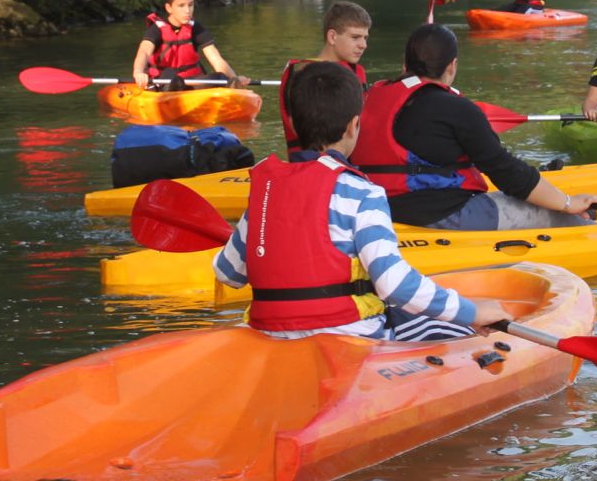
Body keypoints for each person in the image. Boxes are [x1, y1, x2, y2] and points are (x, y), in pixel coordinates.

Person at [214, 61, 511, 341]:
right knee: (459, 327)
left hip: (271, 335)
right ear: (353, 125)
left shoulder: (266, 191)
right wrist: (473, 312)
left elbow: (227, 273)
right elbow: (394, 285)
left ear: (292, 122)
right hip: (349, 337)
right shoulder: (362, 192)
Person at [353, 23, 597, 229]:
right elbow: (506, 172)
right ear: (452, 65)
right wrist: (567, 203)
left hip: (378, 209)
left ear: (404, 64)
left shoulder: (367, 98)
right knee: (572, 219)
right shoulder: (457, 108)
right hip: (441, 215)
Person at [278, 1, 371, 155]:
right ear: (332, 36)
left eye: (365, 38)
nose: (363, 45)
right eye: (355, 37)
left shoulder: (356, 71)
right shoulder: (300, 73)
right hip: (313, 161)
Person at [130, 0, 252, 90]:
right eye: (181, 6)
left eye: (190, 5)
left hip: (191, 82)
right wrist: (138, 72)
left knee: (220, 77)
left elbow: (216, 59)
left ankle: (229, 89)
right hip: (166, 82)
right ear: (169, 8)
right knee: (171, 75)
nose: (187, 10)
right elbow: (144, 52)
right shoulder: (156, 29)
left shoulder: (196, 29)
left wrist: (234, 79)